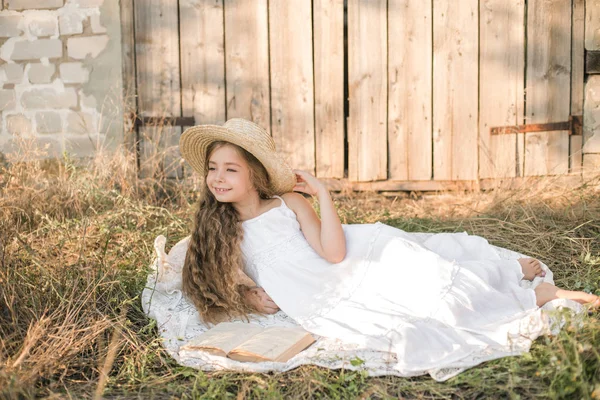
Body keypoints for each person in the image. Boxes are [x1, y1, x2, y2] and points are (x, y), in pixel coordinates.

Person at [178, 118, 599, 374]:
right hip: (313, 297)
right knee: (397, 320)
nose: (218, 177)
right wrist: (250, 297)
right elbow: (212, 279)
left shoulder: (289, 203)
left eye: (230, 169)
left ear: (254, 174)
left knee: (421, 281)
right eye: (213, 168)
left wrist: (322, 195)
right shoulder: (218, 227)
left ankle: (530, 291)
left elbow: (334, 253)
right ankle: (524, 292)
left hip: (345, 263)